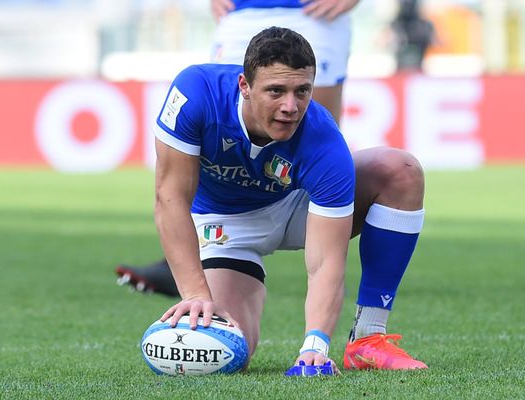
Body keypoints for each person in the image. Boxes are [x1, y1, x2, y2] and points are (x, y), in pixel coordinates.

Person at [148, 27, 427, 372]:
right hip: (223, 225)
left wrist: (316, 344)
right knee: (224, 351)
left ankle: (368, 339)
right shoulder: (196, 94)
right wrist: (195, 294)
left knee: (400, 169)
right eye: (276, 91)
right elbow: (170, 198)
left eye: (302, 91)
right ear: (245, 87)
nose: (290, 107)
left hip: (298, 209)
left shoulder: (324, 140)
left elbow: (325, 260)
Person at [116, 0, 360, 295]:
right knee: (225, 111)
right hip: (241, 12)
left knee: (309, 130)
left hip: (313, 12)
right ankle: (195, 254)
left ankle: (320, 263)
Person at [390, 0, 435, 71]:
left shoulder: (424, 25)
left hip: (418, 69)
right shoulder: (395, 24)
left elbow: (437, 42)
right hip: (400, 71)